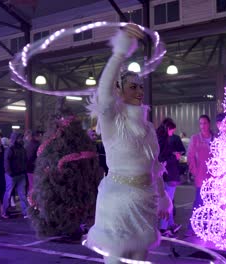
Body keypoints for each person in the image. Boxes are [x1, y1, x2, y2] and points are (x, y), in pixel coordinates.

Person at [85, 25, 172, 264]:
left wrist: (163, 196)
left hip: (144, 201)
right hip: (117, 202)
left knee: (140, 257)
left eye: (141, 86)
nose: (139, 91)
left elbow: (154, 164)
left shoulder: (147, 128)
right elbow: (103, 91)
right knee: (117, 257)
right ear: (120, 91)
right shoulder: (112, 121)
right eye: (132, 86)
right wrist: (119, 53)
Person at [185, 115, 213, 236]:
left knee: (212, 203)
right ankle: (192, 228)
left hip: (214, 176)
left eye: (205, 123)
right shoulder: (195, 138)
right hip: (201, 176)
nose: (203, 126)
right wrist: (195, 172)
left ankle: (208, 227)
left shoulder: (215, 138)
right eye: (201, 123)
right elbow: (190, 157)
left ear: (209, 124)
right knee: (199, 202)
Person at [157, 118, 185, 237]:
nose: (172, 133)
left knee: (167, 201)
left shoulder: (159, 139)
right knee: (167, 202)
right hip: (169, 174)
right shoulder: (163, 140)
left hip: (163, 175)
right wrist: (175, 157)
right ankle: (163, 229)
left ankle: (172, 225)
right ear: (168, 129)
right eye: (172, 131)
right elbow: (162, 158)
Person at [2, 132, 28, 218]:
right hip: (12, 175)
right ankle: (5, 211)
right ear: (15, 139)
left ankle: (25, 212)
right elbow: (6, 162)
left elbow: (25, 160)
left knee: (22, 194)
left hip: (20, 174)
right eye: (20, 138)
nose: (21, 139)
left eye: (21, 138)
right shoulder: (10, 149)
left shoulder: (22, 148)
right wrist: (9, 173)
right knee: (9, 194)